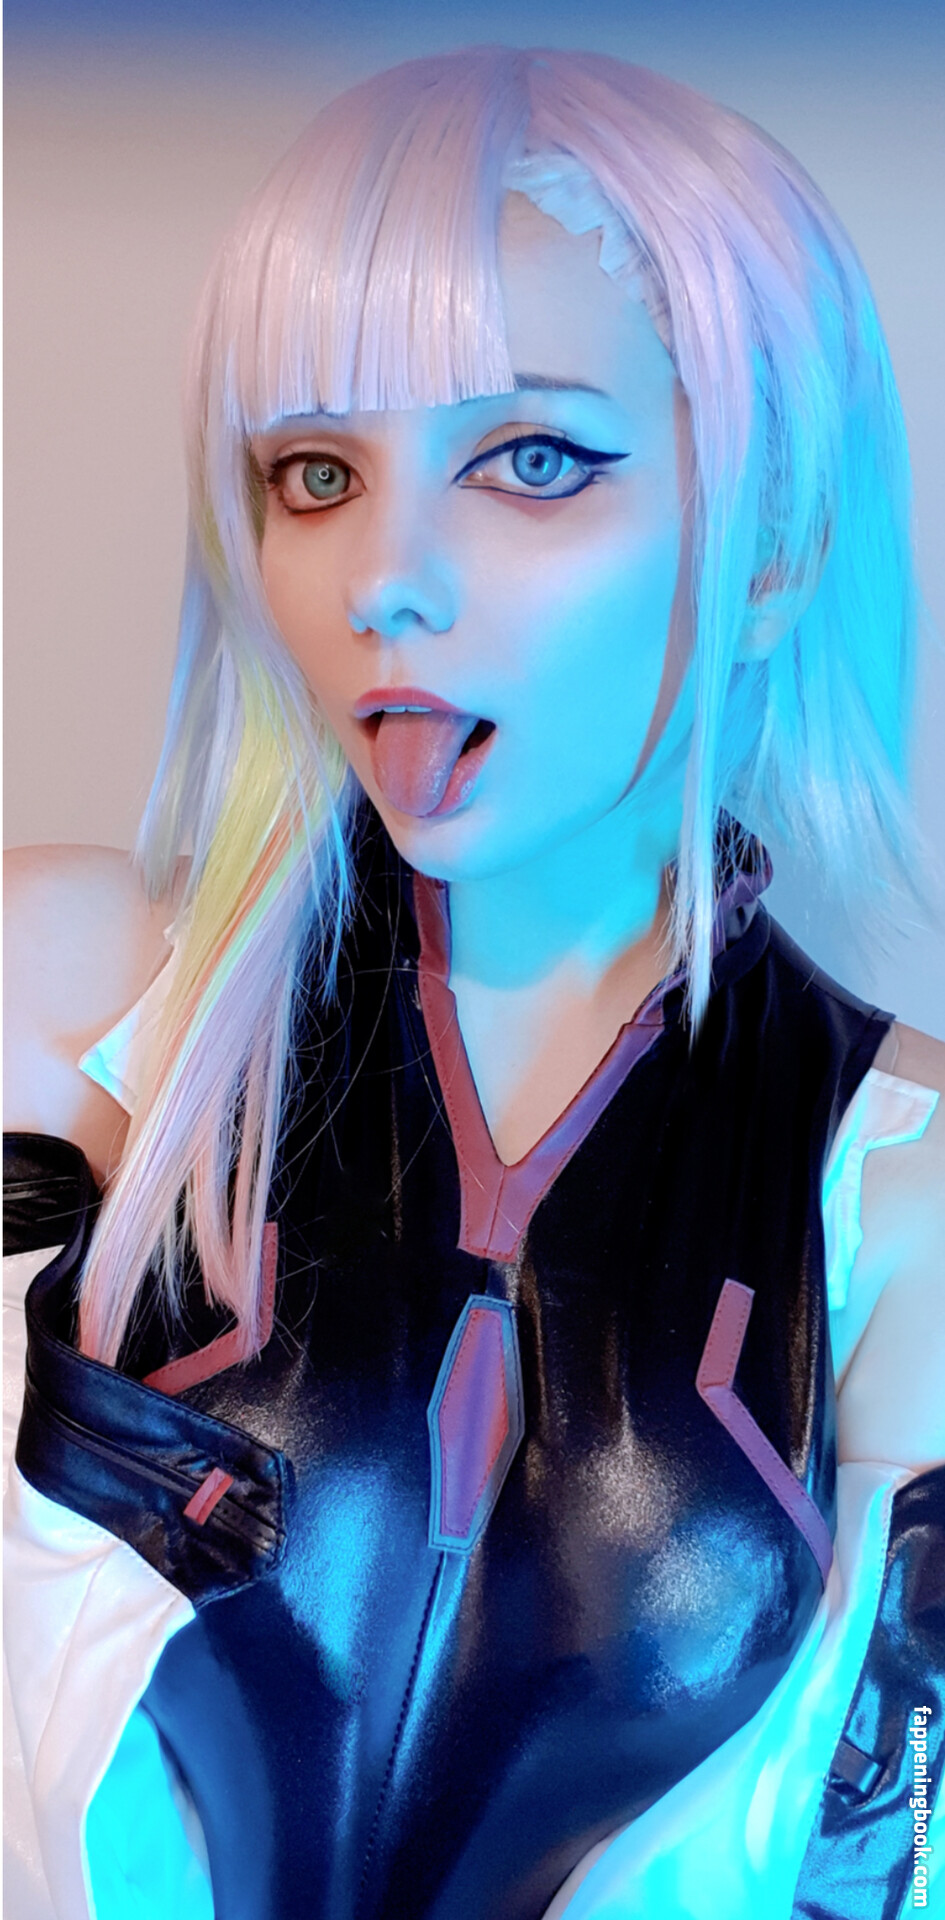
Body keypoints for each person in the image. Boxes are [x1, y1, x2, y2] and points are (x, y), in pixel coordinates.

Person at [4, 44, 944, 1920]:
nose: (384, 580)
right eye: (315, 473)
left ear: (770, 546)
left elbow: (871, 1857)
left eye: (532, 460)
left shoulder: (899, 1193)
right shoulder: (75, 1004)